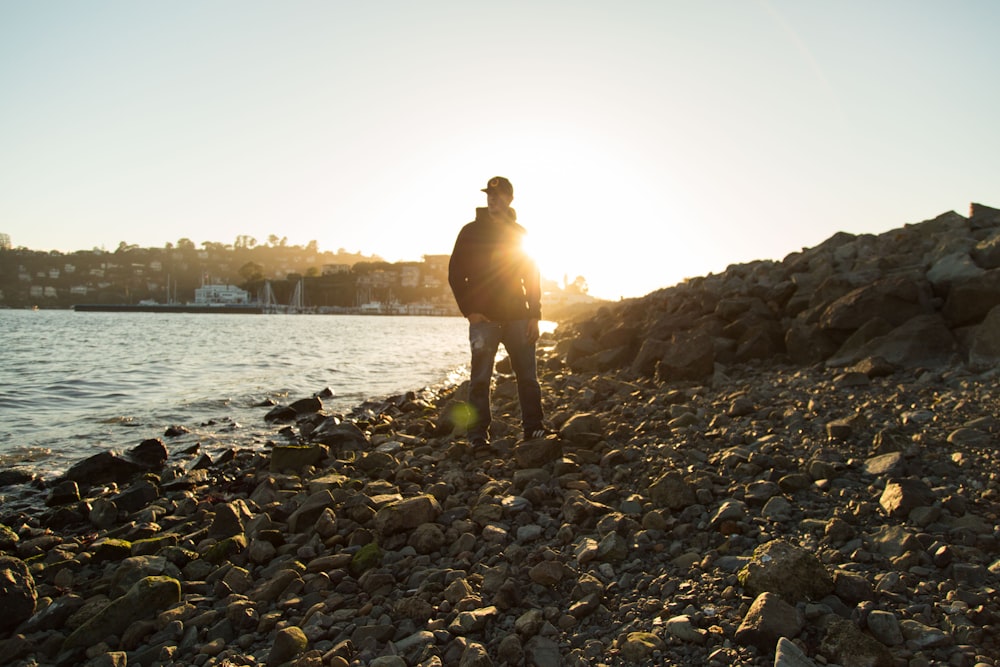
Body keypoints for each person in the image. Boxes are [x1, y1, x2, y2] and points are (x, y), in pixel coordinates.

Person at [448, 176, 545, 449]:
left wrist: (535, 314)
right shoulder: (470, 231)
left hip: (519, 317)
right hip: (483, 320)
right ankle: (478, 435)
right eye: (489, 196)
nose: (493, 200)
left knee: (528, 377)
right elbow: (456, 274)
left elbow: (532, 275)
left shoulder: (520, 233)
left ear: (510, 200)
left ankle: (533, 428)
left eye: (499, 196)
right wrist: (470, 311)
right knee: (479, 379)